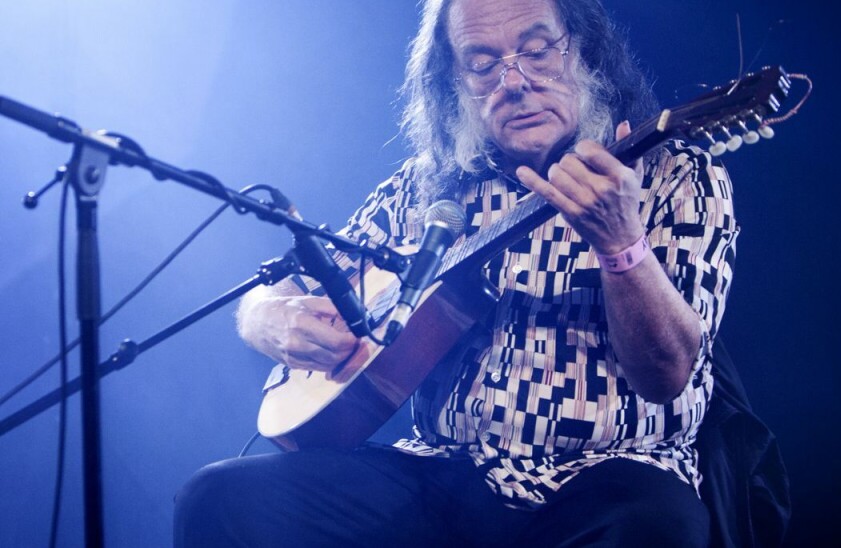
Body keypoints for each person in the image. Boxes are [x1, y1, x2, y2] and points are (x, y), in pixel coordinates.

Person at [174, 0, 738, 545]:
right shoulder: (428, 187)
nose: (513, 81)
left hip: (608, 479)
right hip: (445, 475)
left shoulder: (676, 177)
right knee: (219, 498)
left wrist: (621, 243)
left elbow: (667, 376)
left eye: (538, 51)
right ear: (455, 82)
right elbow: (293, 283)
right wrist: (267, 319)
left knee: (655, 527)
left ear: (582, 52)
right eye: (483, 63)